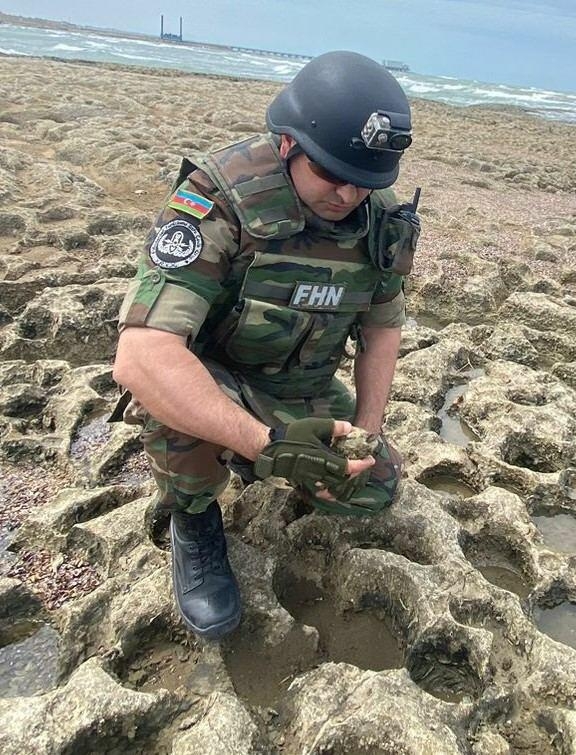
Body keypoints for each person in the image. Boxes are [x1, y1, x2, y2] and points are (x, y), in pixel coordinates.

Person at [111, 51, 420, 640]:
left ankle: (259, 458)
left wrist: (366, 432)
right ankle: (194, 519)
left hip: (299, 385)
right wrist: (269, 446)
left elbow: (383, 325)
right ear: (288, 145)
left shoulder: (380, 219)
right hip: (220, 377)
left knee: (372, 490)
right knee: (172, 402)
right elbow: (142, 354)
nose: (349, 194)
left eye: (367, 181)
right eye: (332, 174)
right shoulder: (220, 199)